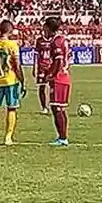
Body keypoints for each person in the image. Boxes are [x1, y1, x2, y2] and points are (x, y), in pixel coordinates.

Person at [42, 17, 71, 146]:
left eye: (44, 28)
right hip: (64, 76)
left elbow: (58, 61)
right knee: (60, 108)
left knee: (56, 108)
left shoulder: (56, 41)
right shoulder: (62, 39)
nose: (43, 30)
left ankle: (62, 138)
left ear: (48, 28)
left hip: (59, 78)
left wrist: (51, 75)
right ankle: (62, 136)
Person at [33, 26, 53, 114]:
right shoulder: (39, 41)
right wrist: (34, 67)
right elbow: (36, 55)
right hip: (42, 67)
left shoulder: (54, 40)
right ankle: (44, 107)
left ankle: (54, 105)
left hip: (52, 66)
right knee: (42, 87)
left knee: (54, 87)